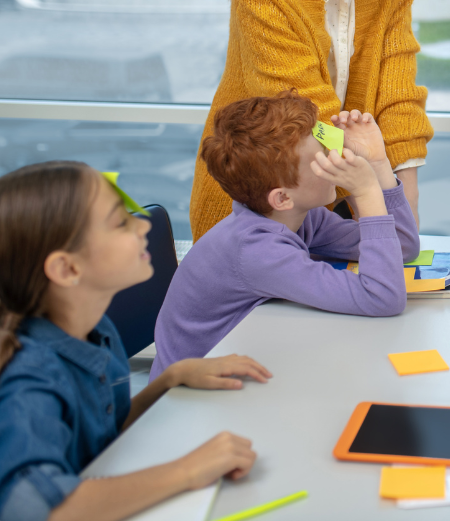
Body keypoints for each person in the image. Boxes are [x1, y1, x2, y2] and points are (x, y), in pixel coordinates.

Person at [0, 162, 269, 521]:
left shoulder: (96, 330)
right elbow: (37, 508)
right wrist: (187, 471)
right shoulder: (30, 380)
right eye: (119, 222)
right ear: (67, 269)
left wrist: (169, 380)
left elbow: (102, 437)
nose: (142, 224)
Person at [190, 0, 433, 241]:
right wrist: (378, 199)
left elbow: (398, 92)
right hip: (265, 207)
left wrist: (405, 199)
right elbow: (309, 115)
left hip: (340, 203)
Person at [152, 91, 416, 379]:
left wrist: (378, 165)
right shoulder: (257, 250)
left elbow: (402, 245)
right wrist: (365, 192)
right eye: (323, 158)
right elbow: (383, 298)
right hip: (184, 401)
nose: (335, 155)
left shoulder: (294, 216)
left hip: (245, 363)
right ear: (281, 198)